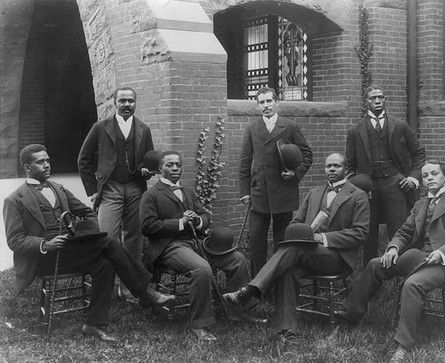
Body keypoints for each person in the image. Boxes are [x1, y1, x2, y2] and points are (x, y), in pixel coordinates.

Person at [3, 144, 175, 342]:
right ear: (27, 168)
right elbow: (15, 240)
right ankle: (144, 292)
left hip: (70, 250)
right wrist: (45, 244)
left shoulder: (59, 189)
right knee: (109, 243)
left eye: (48, 160)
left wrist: (79, 228)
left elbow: (88, 213)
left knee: (106, 263)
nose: (47, 165)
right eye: (40, 162)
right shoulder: (15, 199)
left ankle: (92, 324)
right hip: (46, 258)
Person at [335, 160, 445, 363]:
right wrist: (393, 247)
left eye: (434, 174)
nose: (429, 178)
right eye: (425, 176)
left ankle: (404, 345)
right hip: (422, 258)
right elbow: (405, 231)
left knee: (412, 284)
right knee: (376, 264)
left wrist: (442, 253)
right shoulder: (421, 204)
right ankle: (351, 314)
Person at [223, 153, 370, 340]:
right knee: (288, 268)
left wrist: (321, 237)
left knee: (293, 251)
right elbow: (294, 223)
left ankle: (251, 290)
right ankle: (287, 330)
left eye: (336, 166)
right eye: (328, 166)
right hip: (307, 253)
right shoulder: (314, 193)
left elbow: (360, 233)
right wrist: (302, 233)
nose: (331, 169)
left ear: (346, 170)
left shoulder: (358, 195)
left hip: (337, 257)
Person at [140, 151, 259, 342]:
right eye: (170, 165)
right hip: (170, 247)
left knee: (237, 259)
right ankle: (200, 324)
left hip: (196, 243)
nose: (175, 169)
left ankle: (238, 310)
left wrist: (197, 221)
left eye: (178, 165)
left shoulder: (187, 192)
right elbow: (148, 226)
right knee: (201, 268)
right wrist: (180, 222)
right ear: (160, 168)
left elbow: (205, 216)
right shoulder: (151, 195)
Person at [78, 87, 154, 300]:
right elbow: (83, 160)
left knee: (134, 237)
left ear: (136, 103)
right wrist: (92, 191)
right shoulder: (100, 127)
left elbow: (149, 161)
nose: (127, 104)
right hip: (110, 189)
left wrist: (147, 171)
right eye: (122, 101)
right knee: (107, 238)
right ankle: (104, 287)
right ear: (114, 103)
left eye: (131, 101)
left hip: (135, 189)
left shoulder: (143, 129)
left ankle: (128, 289)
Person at [345, 85, 426, 266]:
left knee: (399, 228)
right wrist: (357, 186)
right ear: (365, 102)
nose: (377, 101)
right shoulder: (355, 131)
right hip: (368, 188)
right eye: (373, 98)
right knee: (369, 230)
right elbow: (350, 166)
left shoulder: (400, 126)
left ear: (385, 99)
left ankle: (402, 271)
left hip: (395, 184)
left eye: (380, 97)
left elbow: (419, 153)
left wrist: (413, 178)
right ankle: (370, 273)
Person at [239, 86, 313, 277]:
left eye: (269, 101)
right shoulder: (252, 128)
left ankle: (280, 280)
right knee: (256, 239)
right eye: (261, 102)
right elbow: (245, 161)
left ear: (277, 102)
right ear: (257, 106)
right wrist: (245, 192)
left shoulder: (290, 127)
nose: (265, 106)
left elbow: (307, 155)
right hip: (259, 191)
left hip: (283, 189)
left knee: (282, 238)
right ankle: (258, 283)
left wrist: (295, 173)